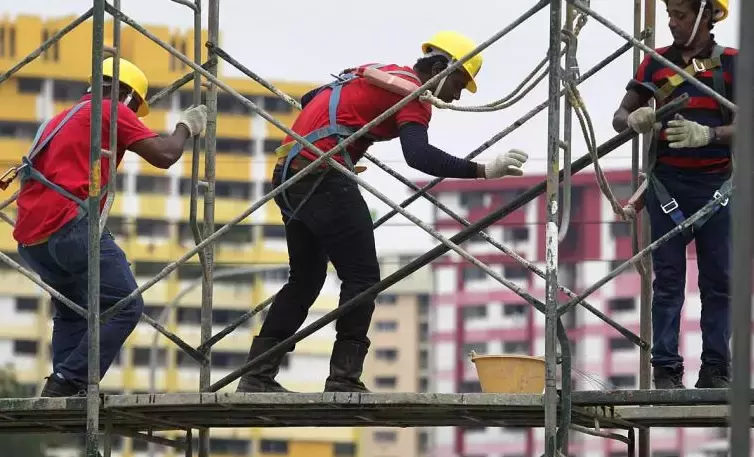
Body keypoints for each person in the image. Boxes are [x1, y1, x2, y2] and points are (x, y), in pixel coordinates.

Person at [236, 31, 529, 393]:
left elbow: (312, 98)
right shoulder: (413, 95)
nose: (454, 96)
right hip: (323, 177)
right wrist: (483, 170)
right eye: (457, 82)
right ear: (440, 67)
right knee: (362, 278)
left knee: (305, 281)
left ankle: (256, 376)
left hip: (289, 176)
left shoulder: (377, 74)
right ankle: (343, 380)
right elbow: (418, 156)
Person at [10, 57, 208, 397]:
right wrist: (185, 127)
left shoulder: (59, 119)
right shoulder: (109, 110)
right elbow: (164, 155)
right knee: (125, 303)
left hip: (32, 241)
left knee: (76, 313)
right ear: (127, 94)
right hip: (69, 228)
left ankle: (62, 387)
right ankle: (72, 380)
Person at [612, 0, 736, 389]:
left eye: (680, 15)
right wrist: (633, 119)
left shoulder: (732, 63)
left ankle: (716, 368)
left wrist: (710, 134)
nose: (672, 23)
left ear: (706, 15)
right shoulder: (656, 63)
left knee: (719, 282)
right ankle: (666, 369)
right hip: (668, 186)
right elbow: (620, 116)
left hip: (716, 188)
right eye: (670, 15)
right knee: (668, 282)